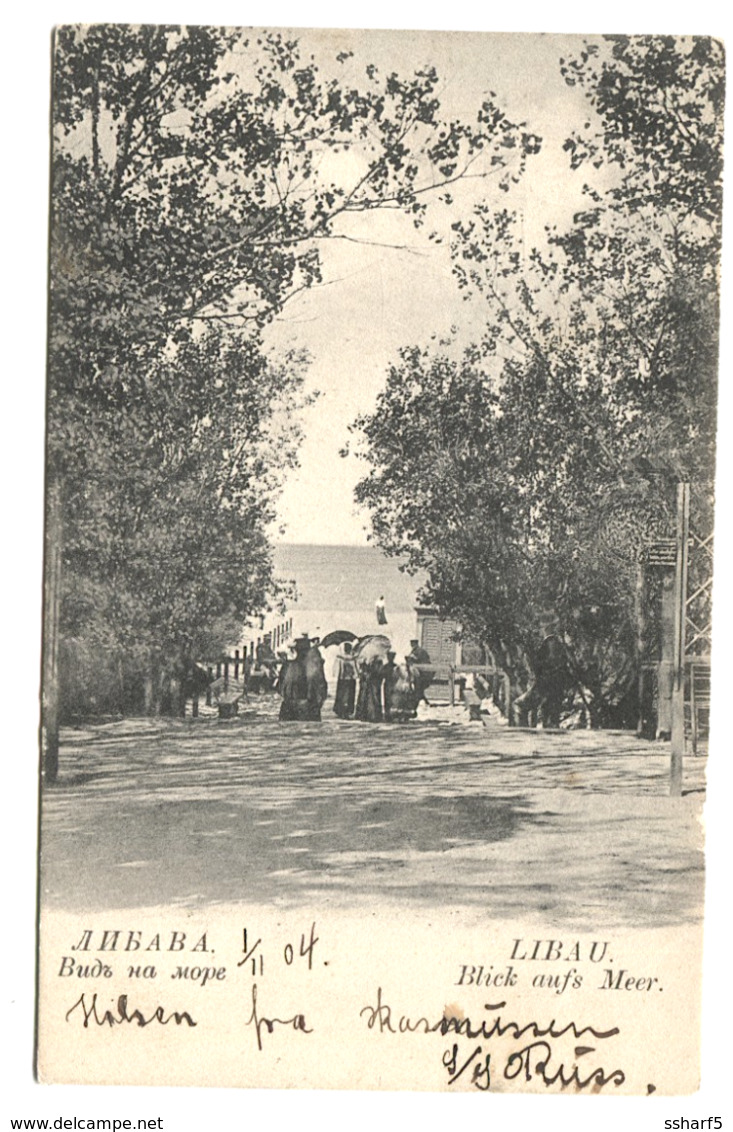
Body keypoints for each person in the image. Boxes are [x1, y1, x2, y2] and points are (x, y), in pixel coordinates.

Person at [333, 641, 356, 719]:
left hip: (343, 679)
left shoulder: (340, 657)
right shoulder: (353, 658)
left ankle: (341, 711)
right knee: (348, 696)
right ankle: (346, 711)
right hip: (350, 679)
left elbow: (336, 669)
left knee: (342, 696)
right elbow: (355, 669)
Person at [406, 639, 433, 705]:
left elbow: (423, 661)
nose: (412, 645)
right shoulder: (414, 651)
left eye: (413, 644)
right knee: (418, 688)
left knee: (419, 687)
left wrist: (414, 658)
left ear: (416, 644)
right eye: (411, 644)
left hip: (424, 672)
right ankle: (423, 701)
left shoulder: (421, 651)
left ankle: (419, 700)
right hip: (418, 672)